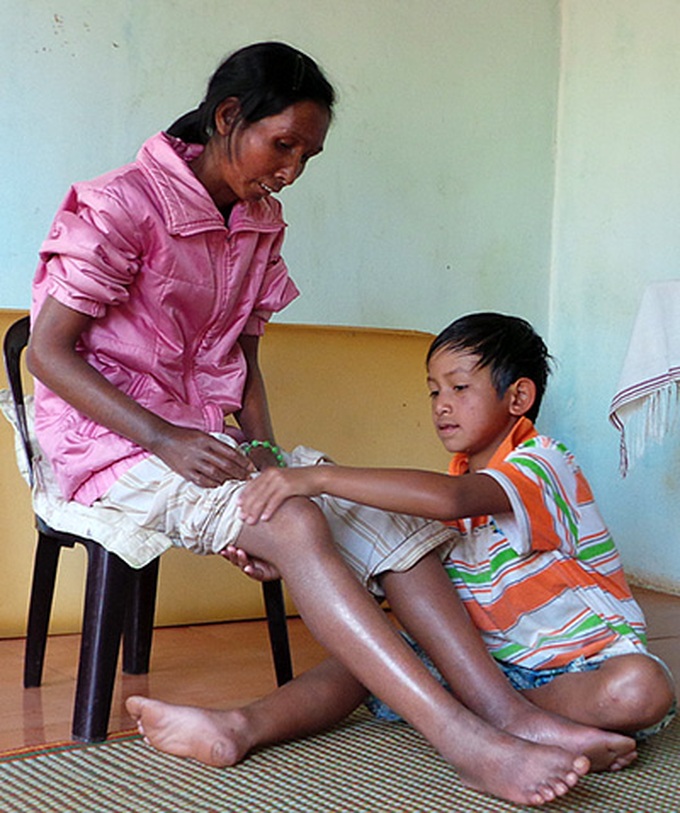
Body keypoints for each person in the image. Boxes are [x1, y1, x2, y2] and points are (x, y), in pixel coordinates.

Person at [126, 313, 675, 800]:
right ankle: (238, 727)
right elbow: (363, 573)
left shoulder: (543, 464)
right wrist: (279, 560)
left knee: (640, 688)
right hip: (487, 670)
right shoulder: (436, 499)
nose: (441, 406)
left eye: (459, 388)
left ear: (519, 398)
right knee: (366, 663)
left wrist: (316, 477)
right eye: (433, 391)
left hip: (579, 667)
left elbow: (450, 497)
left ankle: (505, 720)